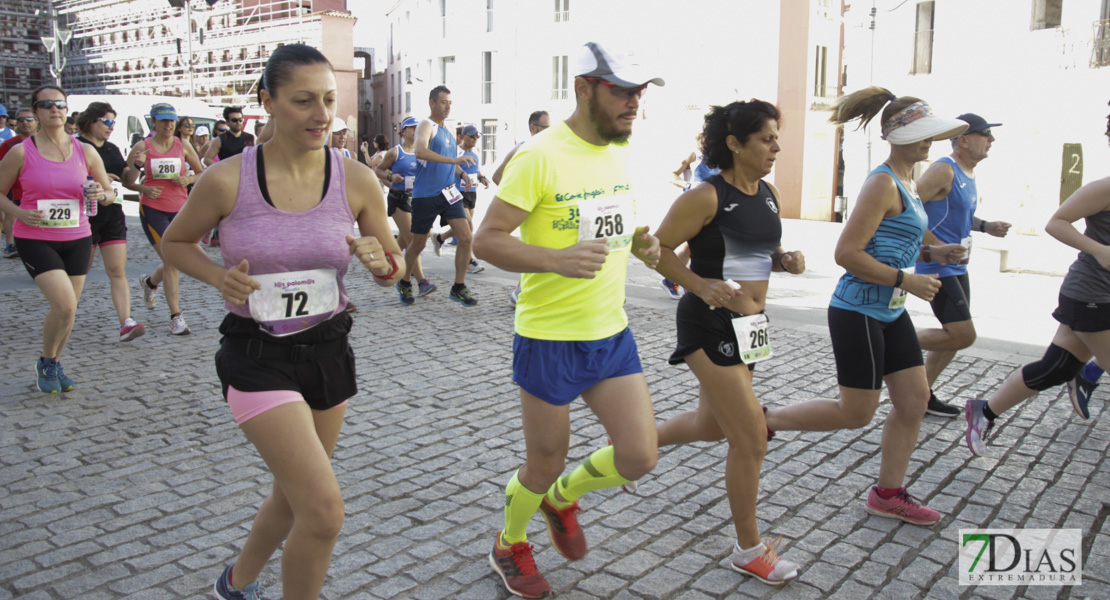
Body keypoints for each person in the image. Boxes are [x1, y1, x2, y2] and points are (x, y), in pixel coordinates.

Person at [160, 43, 404, 600]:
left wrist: (381, 264)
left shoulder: (357, 179)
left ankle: (234, 583)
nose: (322, 115)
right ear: (268, 102)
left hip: (327, 353)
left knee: (290, 496)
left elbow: (391, 267)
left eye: (328, 100)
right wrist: (218, 277)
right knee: (322, 512)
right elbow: (177, 242)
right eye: (302, 101)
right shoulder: (226, 180)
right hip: (257, 356)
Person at [473, 41, 664, 599]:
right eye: (623, 91)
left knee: (639, 454)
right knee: (543, 461)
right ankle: (509, 542)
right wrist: (556, 260)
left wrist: (641, 243)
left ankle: (563, 497)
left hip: (610, 331)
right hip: (549, 337)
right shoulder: (539, 154)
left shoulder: (620, 149)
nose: (635, 102)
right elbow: (487, 240)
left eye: (640, 92)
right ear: (584, 88)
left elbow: (607, 229)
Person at [763, 86, 968, 526]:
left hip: (890, 311)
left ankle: (888, 494)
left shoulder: (910, 181)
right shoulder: (882, 182)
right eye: (921, 133)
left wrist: (934, 254)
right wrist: (906, 280)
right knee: (856, 413)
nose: (929, 141)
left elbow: (892, 245)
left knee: (914, 401)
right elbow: (847, 254)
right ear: (897, 135)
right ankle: (767, 419)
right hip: (858, 310)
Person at [650, 100, 803, 585]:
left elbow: (752, 250)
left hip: (750, 328)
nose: (776, 147)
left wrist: (784, 260)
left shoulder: (769, 193)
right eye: (766, 139)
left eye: (777, 138)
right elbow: (654, 249)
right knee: (751, 436)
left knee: (709, 425)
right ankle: (748, 548)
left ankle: (634, 443)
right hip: (708, 324)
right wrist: (700, 285)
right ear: (735, 144)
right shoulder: (705, 195)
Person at [964, 162, 1110, 451]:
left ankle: (985, 411)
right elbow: (1057, 222)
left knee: (1056, 368)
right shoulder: (1105, 188)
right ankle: (1091, 373)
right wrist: (1099, 249)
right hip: (1091, 294)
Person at [0, 84, 116, 392]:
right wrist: (19, 213)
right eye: (47, 104)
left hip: (78, 237)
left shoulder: (85, 150)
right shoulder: (21, 151)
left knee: (70, 310)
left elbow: (109, 194)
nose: (55, 109)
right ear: (35, 111)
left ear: (68, 111)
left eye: (60, 105)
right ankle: (46, 362)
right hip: (35, 237)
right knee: (64, 305)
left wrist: (99, 192)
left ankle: (53, 362)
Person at [912, 113, 1012, 417]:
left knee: (952, 338)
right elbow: (910, 208)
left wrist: (985, 225)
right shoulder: (944, 169)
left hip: (957, 265)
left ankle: (921, 396)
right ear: (963, 141)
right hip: (936, 267)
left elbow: (958, 215)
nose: (991, 140)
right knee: (963, 334)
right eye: (985, 134)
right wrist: (936, 247)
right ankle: (890, 338)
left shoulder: (968, 173)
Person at [122, 102, 205, 335]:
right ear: (154, 123)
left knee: (175, 260)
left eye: (172, 120)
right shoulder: (143, 146)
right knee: (172, 261)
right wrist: (143, 188)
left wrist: (188, 180)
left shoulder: (183, 145)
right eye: (164, 120)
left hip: (180, 209)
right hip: (153, 209)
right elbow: (126, 180)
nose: (169, 125)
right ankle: (176, 317)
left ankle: (150, 283)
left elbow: (201, 173)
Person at [400, 85, 478, 307]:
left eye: (450, 103)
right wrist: (455, 161)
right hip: (425, 195)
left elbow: (450, 162)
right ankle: (405, 281)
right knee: (417, 244)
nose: (447, 107)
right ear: (432, 103)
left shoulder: (449, 131)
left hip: (449, 194)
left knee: (466, 236)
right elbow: (420, 151)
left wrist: (463, 174)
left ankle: (458, 287)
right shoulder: (427, 125)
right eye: (444, 102)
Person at [76, 101, 145, 342]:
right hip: (84, 216)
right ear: (91, 120)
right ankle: (64, 313)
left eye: (113, 122)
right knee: (79, 271)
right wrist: (100, 176)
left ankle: (126, 322)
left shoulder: (112, 148)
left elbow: (127, 180)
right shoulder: (75, 146)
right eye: (107, 121)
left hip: (112, 214)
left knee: (117, 270)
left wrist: (136, 166)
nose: (111, 127)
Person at [374, 116, 436, 303]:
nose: (416, 130)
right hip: (399, 200)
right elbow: (379, 170)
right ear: (403, 131)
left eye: (418, 128)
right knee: (413, 239)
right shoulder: (395, 152)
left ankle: (387, 255)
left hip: (417, 200)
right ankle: (419, 281)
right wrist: (391, 179)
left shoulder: (422, 151)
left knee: (414, 238)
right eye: (412, 128)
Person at [492, 109, 550, 306]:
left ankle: (523, 290)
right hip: (530, 213)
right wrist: (519, 199)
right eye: (546, 128)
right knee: (536, 250)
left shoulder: (547, 149)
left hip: (544, 212)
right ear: (533, 128)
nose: (550, 131)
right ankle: (520, 291)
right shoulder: (522, 148)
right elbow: (497, 176)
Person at [660, 146, 721, 299]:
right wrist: (689, 186)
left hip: (713, 205)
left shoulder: (721, 155)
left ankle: (678, 281)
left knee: (693, 248)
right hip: (694, 206)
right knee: (693, 246)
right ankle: (678, 281)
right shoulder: (694, 154)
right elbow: (672, 175)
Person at [431, 123, 488, 274]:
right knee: (468, 226)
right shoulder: (455, 151)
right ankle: (469, 261)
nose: (475, 139)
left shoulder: (475, 152)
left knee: (464, 227)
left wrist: (482, 178)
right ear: (463, 136)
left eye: (477, 136)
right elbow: (448, 166)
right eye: (472, 136)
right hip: (456, 192)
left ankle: (440, 238)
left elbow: (476, 170)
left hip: (471, 193)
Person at [1, 107, 38, 259]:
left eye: (29, 119)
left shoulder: (46, 142)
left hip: (41, 188)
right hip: (15, 186)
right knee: (12, 214)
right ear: (16, 123)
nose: (25, 123)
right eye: (21, 120)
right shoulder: (9, 145)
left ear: (36, 122)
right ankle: (10, 244)